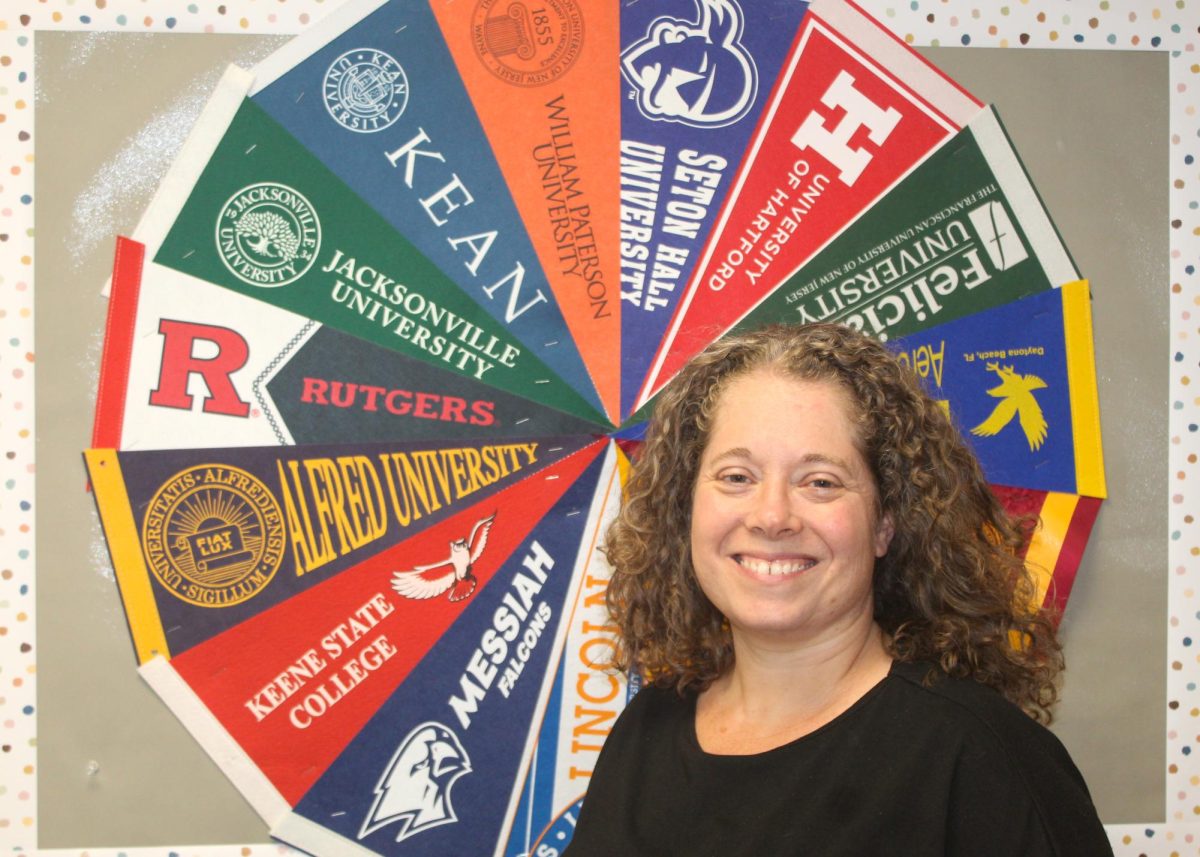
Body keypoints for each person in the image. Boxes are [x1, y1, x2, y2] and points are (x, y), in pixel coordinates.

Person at [564, 323, 1112, 856]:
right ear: (687, 509)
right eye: (737, 477)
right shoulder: (647, 731)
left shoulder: (982, 758)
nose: (772, 516)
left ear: (885, 523)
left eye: (820, 482)